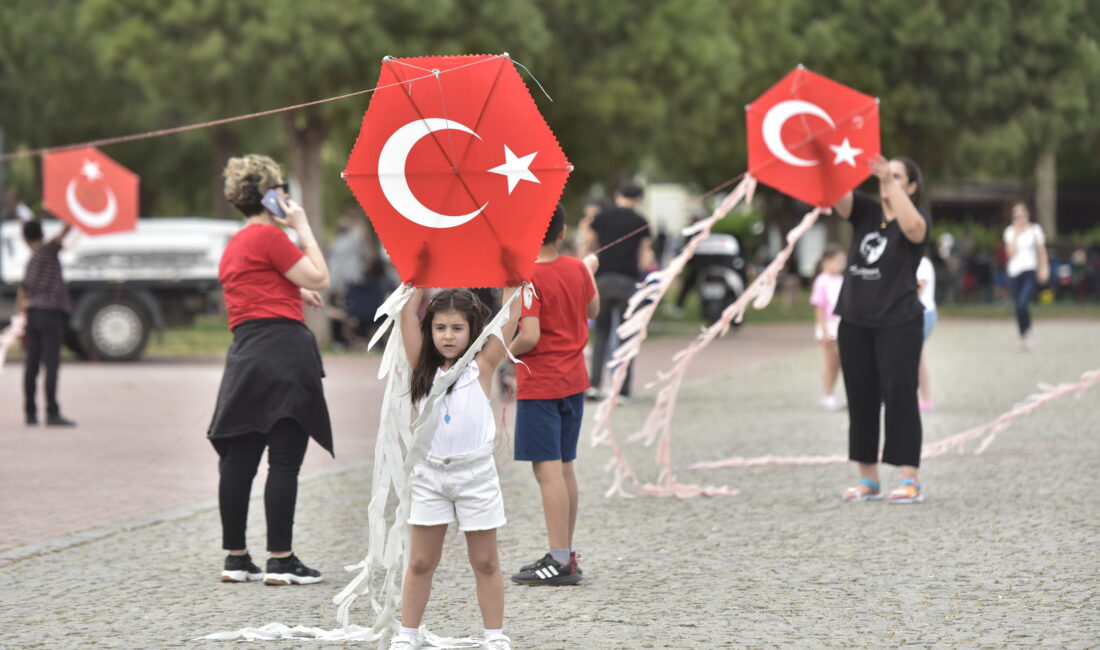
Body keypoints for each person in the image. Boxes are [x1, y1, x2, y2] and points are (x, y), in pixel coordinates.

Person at [206, 154, 332, 585]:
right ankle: (281, 559)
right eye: (281, 190)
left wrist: (293, 292)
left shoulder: (235, 245)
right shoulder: (272, 236)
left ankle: (236, 558)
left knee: (239, 459)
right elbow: (320, 277)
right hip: (284, 352)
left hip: (246, 354)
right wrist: (303, 228)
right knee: (284, 459)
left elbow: (256, 291)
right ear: (267, 195)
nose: (286, 196)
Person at [391, 287, 521, 650]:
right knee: (420, 561)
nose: (448, 336)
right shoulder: (421, 366)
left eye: (457, 328)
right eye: (440, 328)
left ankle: (494, 635)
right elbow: (406, 315)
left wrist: (512, 282)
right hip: (429, 476)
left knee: (485, 561)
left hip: (475, 476)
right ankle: (408, 634)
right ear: (430, 330)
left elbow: (510, 317)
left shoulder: (483, 366)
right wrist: (416, 283)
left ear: (473, 330)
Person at [507, 205, 599, 586]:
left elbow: (529, 336)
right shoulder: (577, 268)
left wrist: (502, 350)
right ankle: (566, 553)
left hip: (541, 384)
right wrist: (587, 272)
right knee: (565, 468)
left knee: (547, 472)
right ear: (562, 233)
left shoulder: (526, 277)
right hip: (573, 381)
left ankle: (558, 559)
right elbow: (593, 308)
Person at [833, 155, 930, 505]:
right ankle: (868, 479)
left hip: (899, 322)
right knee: (860, 399)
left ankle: (908, 479)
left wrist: (888, 181)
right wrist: (824, 156)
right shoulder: (867, 211)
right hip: (855, 320)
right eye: (887, 175)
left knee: (900, 396)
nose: (888, 180)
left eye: (898, 176)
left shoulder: (916, 218)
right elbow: (837, 194)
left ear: (912, 187)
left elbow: (914, 229)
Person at [581, 183, 654, 402]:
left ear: (617, 195)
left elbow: (589, 245)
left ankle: (594, 385)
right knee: (626, 337)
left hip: (602, 282)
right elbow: (645, 255)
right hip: (628, 283)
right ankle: (622, 390)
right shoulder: (641, 221)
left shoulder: (601, 218)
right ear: (639, 199)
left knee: (601, 334)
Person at [18, 219, 76, 427]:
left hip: (33, 314)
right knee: (51, 365)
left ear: (24, 238)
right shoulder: (47, 252)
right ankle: (52, 413)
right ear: (42, 234)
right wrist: (71, 217)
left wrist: (20, 317)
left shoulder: (32, 260)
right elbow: (63, 233)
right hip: (51, 314)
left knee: (32, 365)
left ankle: (30, 413)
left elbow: (23, 291)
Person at [1004, 201, 1049, 350]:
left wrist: (1044, 268)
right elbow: (1010, 254)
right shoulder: (1009, 232)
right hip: (1014, 272)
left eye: (1022, 215)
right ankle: (1022, 333)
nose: (1020, 219)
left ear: (1027, 215)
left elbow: (1041, 251)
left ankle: (1028, 331)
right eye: (1016, 216)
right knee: (1017, 306)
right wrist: (1016, 234)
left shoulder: (1035, 230)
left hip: (1029, 270)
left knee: (1023, 303)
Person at [809, 244, 846, 411]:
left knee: (839, 362)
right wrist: (824, 331)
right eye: (838, 261)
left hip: (840, 323)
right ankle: (828, 394)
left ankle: (834, 394)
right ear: (827, 261)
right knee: (830, 361)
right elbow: (819, 308)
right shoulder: (822, 281)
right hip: (829, 326)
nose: (841, 265)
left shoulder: (841, 280)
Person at [916, 250, 937, 411]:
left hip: (923, 313)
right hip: (919, 313)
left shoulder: (921, 262)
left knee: (916, 356)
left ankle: (924, 397)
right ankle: (923, 396)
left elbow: (919, 288)